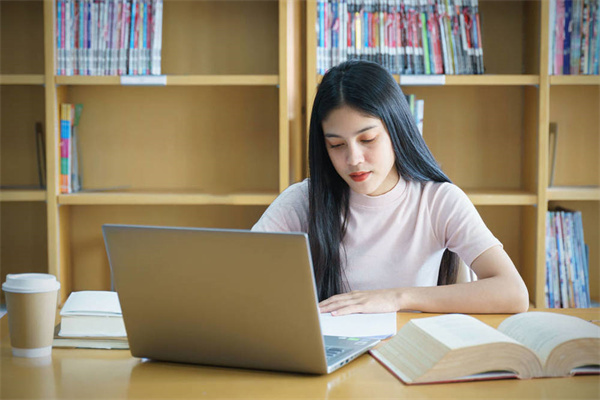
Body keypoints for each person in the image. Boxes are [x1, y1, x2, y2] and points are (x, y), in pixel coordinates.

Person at [252, 60, 529, 315]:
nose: (353, 159)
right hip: (331, 358)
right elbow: (240, 277)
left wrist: (398, 298)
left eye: (368, 139)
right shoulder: (303, 200)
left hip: (412, 354)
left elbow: (513, 293)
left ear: (396, 131)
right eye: (336, 145)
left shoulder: (437, 201)